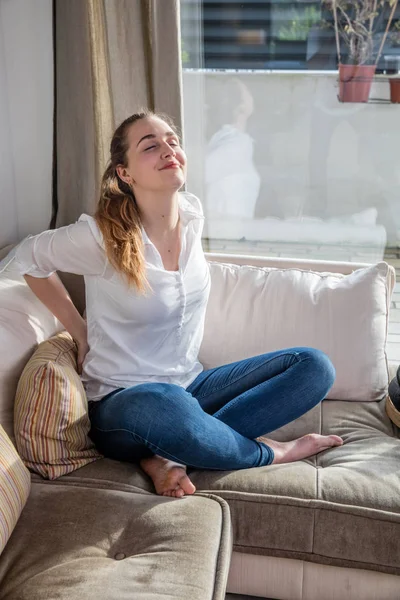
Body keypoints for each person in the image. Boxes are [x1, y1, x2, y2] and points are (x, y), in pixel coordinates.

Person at [0, 110, 343, 499]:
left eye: (172, 142)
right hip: (122, 403)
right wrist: (79, 330)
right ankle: (268, 453)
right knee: (164, 403)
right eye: (150, 146)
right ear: (125, 173)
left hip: (189, 385)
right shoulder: (99, 238)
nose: (168, 150)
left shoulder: (192, 215)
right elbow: (28, 257)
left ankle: (169, 454)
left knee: (314, 367)